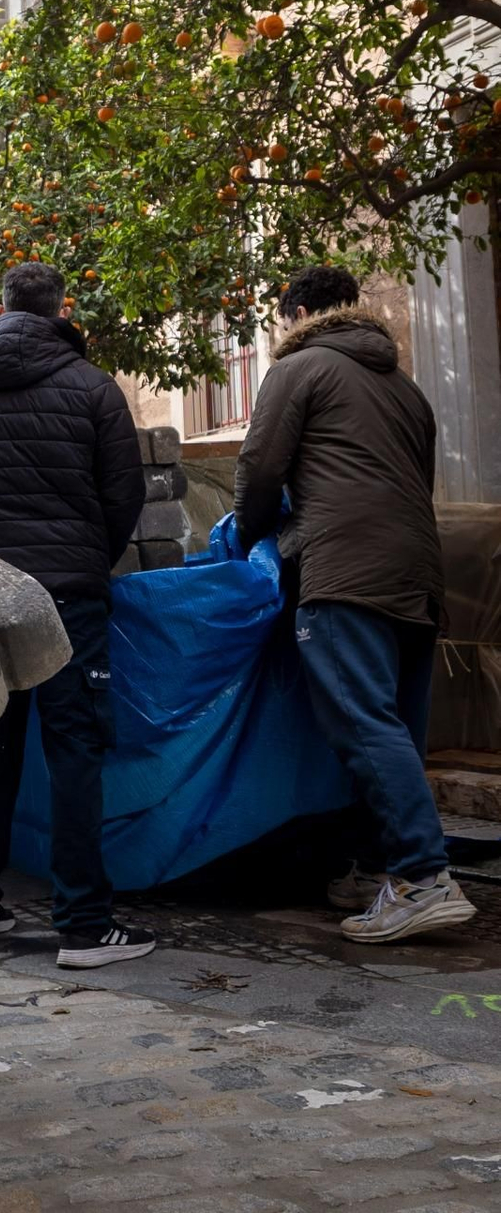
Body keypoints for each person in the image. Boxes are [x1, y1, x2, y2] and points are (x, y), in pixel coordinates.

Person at [235, 263, 475, 943]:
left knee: (363, 723)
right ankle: (378, 868)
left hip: (345, 572)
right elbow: (410, 483)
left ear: (298, 314)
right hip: (420, 576)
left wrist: (247, 542)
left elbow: (259, 468)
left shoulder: (298, 367)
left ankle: (426, 877)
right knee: (397, 725)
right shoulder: (407, 389)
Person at [0, 262, 154, 970]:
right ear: (62, 310)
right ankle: (84, 925)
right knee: (74, 752)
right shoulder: (94, 390)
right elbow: (124, 495)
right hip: (67, 597)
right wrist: (87, 559)